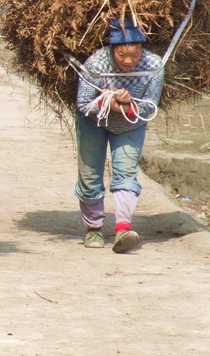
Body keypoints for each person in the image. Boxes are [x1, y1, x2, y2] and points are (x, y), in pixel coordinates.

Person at [74, 17, 164, 253]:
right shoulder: (95, 63)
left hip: (131, 125)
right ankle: (93, 230)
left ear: (142, 50)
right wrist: (108, 102)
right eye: (122, 55)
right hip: (93, 122)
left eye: (134, 56)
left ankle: (123, 229)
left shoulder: (153, 66)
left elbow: (150, 106)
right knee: (90, 174)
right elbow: (84, 104)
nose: (128, 61)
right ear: (112, 49)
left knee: (125, 172)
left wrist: (125, 105)